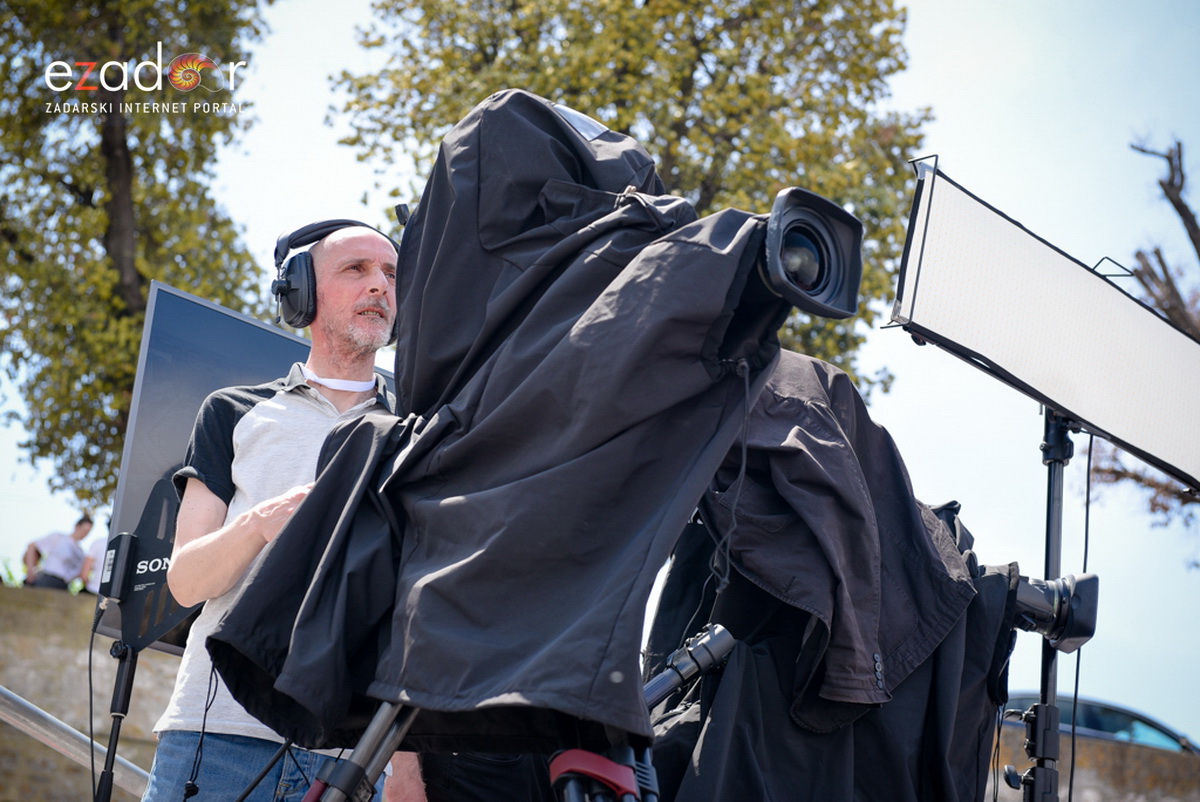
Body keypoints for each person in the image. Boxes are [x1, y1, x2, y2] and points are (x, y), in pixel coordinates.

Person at [141, 223, 424, 802]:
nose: (380, 286)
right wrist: (259, 523)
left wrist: (409, 768)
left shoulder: (421, 433)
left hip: (356, 759)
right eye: (356, 270)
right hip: (218, 739)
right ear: (302, 293)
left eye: (391, 275)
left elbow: (420, 612)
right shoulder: (233, 412)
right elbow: (186, 581)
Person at [23, 514, 93, 590]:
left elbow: (81, 572)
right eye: (84, 530)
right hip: (47, 579)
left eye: (87, 532)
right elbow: (32, 546)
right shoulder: (59, 538)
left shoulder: (81, 553)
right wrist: (30, 572)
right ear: (77, 526)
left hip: (63, 585)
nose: (84, 534)